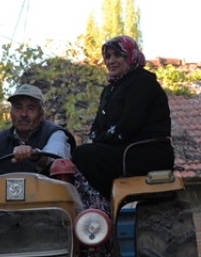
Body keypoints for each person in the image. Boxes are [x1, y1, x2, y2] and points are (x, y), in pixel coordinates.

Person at [71, 36, 174, 197]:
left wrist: (101, 140)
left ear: (130, 56)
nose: (111, 61)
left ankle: (103, 202)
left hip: (143, 152)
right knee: (75, 155)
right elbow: (97, 126)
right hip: (120, 149)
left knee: (84, 155)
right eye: (108, 56)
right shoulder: (109, 90)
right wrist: (97, 138)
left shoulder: (142, 82)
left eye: (117, 55)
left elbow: (129, 125)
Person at [0, 84, 76, 180]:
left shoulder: (55, 134)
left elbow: (57, 156)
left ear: (41, 115)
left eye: (31, 109)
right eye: (18, 108)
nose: (23, 114)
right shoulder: (0, 141)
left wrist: (34, 155)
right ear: (11, 114)